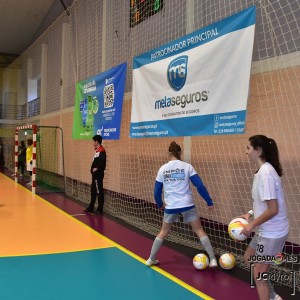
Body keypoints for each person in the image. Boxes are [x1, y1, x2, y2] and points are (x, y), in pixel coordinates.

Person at [146, 141, 217, 267]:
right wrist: (209, 201)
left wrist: (159, 203)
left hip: (171, 206)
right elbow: (199, 185)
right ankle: (213, 259)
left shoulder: (163, 169)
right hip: (187, 205)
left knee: (163, 232)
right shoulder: (187, 166)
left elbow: (156, 191)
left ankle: (151, 259)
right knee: (199, 230)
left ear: (169, 153)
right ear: (180, 153)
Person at [240, 135, 289, 300]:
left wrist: (250, 224)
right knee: (249, 258)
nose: (246, 152)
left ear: (258, 150)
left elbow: (273, 209)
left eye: (248, 148)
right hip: (264, 231)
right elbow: (262, 203)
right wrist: (250, 213)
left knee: (259, 272)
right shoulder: (261, 172)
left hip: (272, 233)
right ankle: (273, 296)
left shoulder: (266, 173)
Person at [84, 135, 106, 215]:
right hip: (94, 176)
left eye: (93, 141)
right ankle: (91, 207)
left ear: (96, 141)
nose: (92, 142)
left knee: (99, 192)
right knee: (93, 191)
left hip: (98, 176)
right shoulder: (97, 151)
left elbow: (102, 163)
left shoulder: (102, 151)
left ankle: (100, 209)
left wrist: (97, 169)